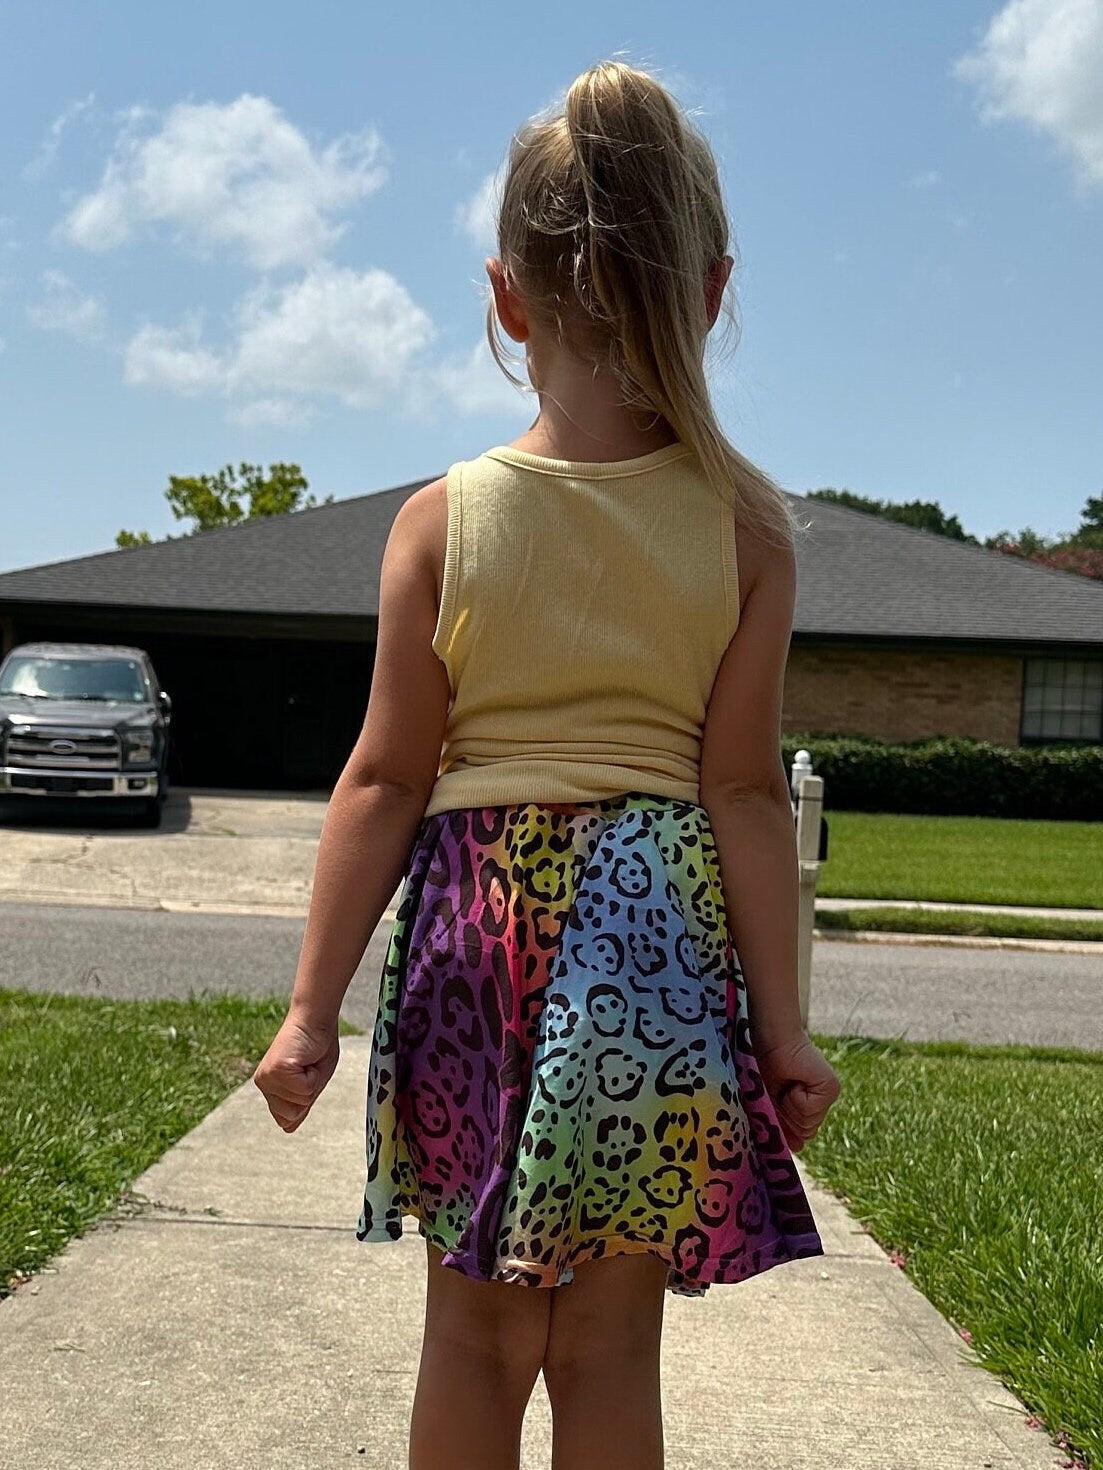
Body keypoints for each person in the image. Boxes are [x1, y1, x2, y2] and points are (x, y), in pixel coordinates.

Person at [254, 57, 842, 1470]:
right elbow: (748, 795)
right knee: (607, 1349)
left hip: (473, 931)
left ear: (506, 297)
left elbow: (385, 782)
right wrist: (785, 1030)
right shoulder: (745, 531)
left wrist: (309, 1009)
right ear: (710, 293)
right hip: (657, 951)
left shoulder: (437, 525)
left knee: (470, 1335)